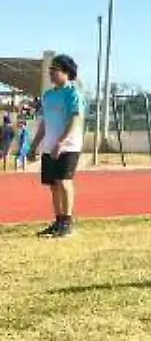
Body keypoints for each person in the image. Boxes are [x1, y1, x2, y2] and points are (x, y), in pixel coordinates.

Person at [28, 54, 86, 238]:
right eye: (50, 69)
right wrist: (34, 145)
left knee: (64, 181)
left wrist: (61, 142)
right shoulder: (48, 95)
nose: (51, 73)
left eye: (55, 69)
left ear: (67, 72)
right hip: (49, 147)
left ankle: (67, 223)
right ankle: (58, 221)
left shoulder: (73, 93)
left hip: (68, 146)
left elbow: (75, 119)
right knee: (53, 185)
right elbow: (44, 123)